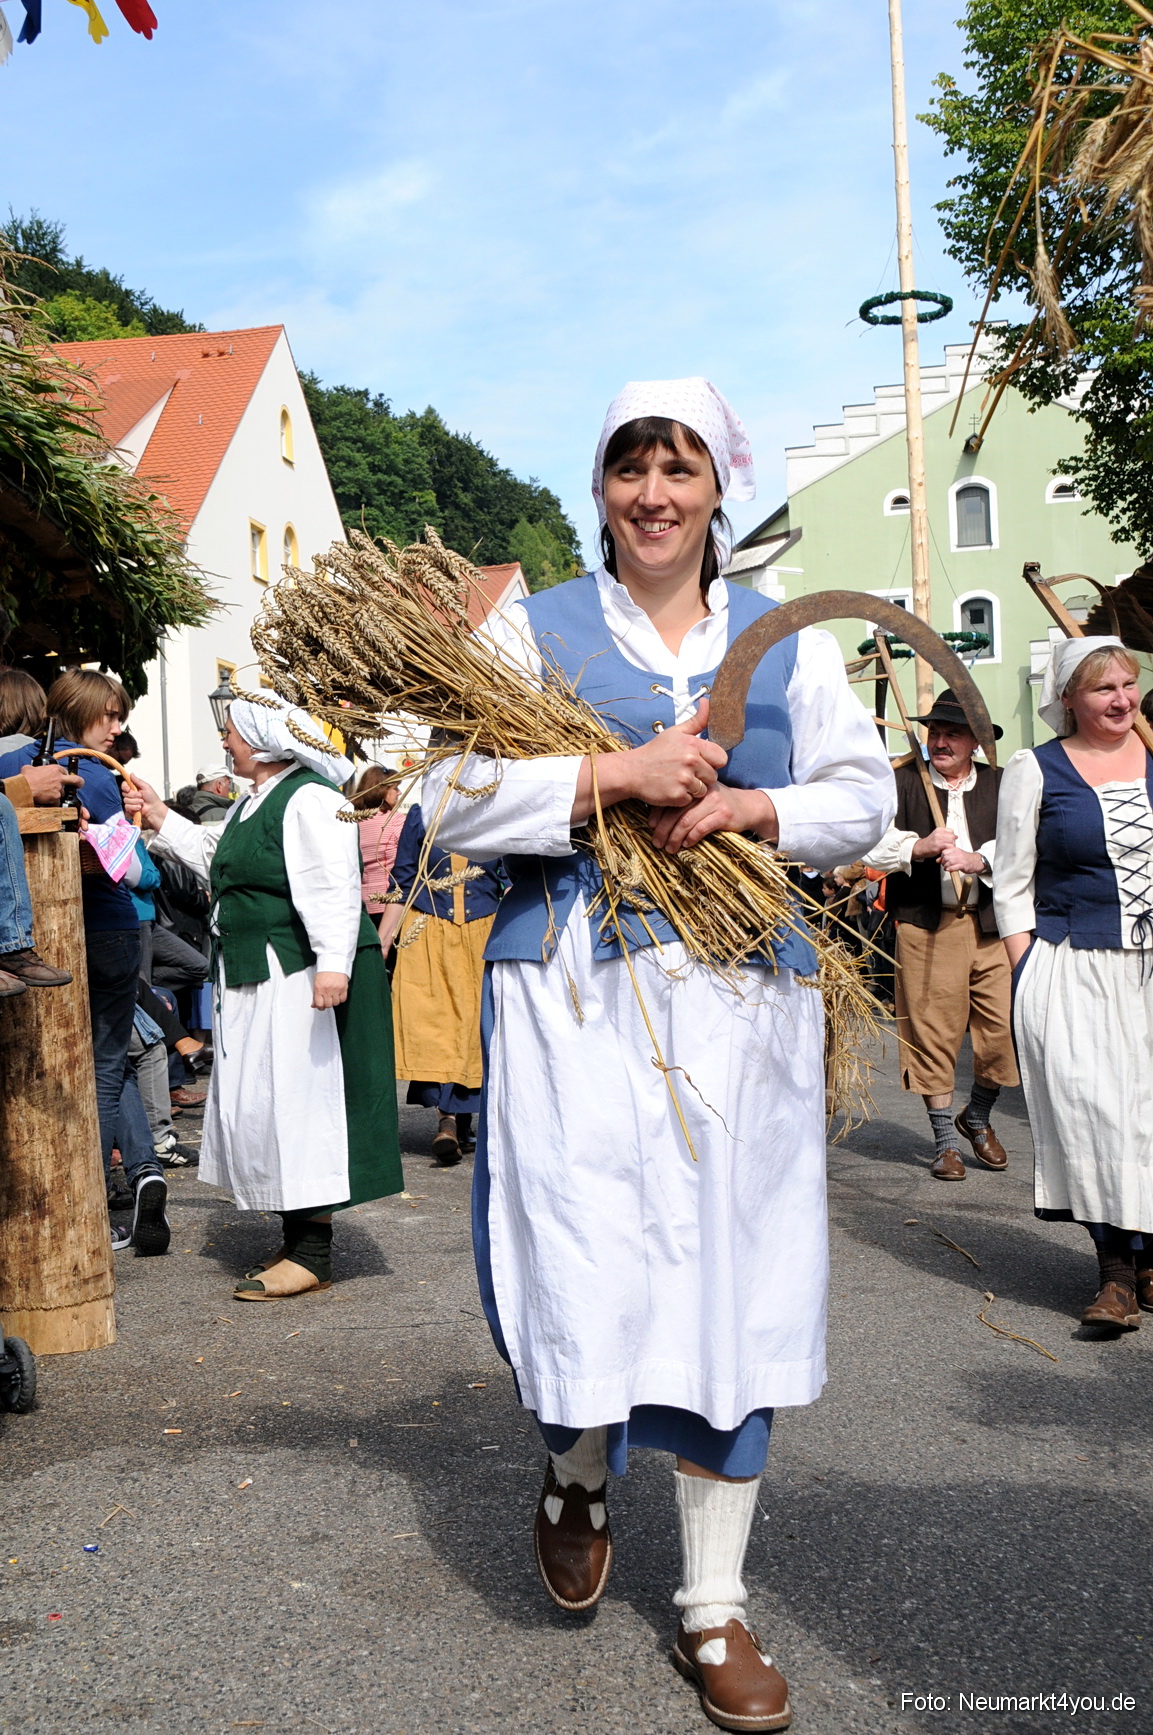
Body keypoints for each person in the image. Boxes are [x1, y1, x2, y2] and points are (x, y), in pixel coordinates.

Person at [419, 379, 895, 1732]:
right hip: (576, 991)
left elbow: (862, 797)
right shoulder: (535, 627)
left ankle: (712, 1603)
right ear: (601, 487)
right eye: (630, 468)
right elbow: (450, 798)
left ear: (716, 487)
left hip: (739, 1003)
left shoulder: (781, 639)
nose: (653, 495)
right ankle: (575, 1463)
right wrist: (609, 779)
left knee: (729, 1274)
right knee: (593, 1251)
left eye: (678, 469)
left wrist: (758, 801)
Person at [125, 693, 404, 1300]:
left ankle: (312, 1254)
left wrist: (334, 964)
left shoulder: (309, 799)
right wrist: (158, 816)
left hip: (297, 975)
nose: (225, 742)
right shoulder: (255, 803)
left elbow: (331, 881)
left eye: (230, 732)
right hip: (259, 975)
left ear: (261, 739)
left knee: (303, 1106)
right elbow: (223, 862)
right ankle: (296, 1238)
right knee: (268, 1107)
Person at [995, 637, 1153, 1332]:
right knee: (1095, 1117)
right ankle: (1114, 1272)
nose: (1120, 700)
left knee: (1145, 1120)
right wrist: (1026, 968)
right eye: (1101, 689)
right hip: (1072, 964)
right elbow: (1010, 882)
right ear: (1067, 699)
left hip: (1147, 967)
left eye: (1127, 685)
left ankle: (1146, 1259)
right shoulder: (1035, 768)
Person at [0, 669, 170, 1254]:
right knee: (103, 1069)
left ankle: (95, 1206)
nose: (117, 728)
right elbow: (133, 869)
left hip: (63, 939)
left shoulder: (21, 764)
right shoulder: (89, 775)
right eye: (110, 716)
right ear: (77, 712)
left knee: (85, 1069)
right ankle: (105, 1204)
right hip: (107, 933)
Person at [861, 689, 1017, 1180]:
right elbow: (871, 845)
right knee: (932, 1031)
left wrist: (980, 859)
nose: (941, 741)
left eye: (952, 733)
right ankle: (945, 1142)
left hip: (993, 925)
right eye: (935, 732)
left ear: (975, 740)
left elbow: (1025, 846)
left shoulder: (1002, 783)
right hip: (928, 924)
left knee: (1004, 1032)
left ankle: (976, 1117)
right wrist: (918, 846)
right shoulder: (902, 781)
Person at [380, 802, 503, 1164]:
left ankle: (458, 1123)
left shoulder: (500, 806)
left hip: (484, 932)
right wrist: (381, 942)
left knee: (472, 1029)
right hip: (428, 934)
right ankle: (447, 1120)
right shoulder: (422, 814)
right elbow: (403, 881)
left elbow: (512, 879)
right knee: (436, 1028)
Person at [351, 764, 405, 931]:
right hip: (390, 904)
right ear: (382, 790)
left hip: (360, 904)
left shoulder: (352, 822)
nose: (399, 793)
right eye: (395, 788)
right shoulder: (396, 822)